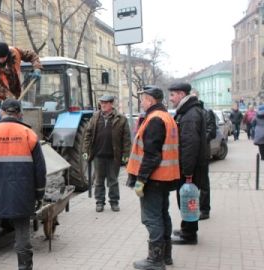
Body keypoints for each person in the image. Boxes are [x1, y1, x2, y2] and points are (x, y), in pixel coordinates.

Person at [0, 98, 47, 270]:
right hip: (22, 195)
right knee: (23, 239)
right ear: (19, 113)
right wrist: (39, 194)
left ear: (1, 112)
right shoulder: (29, 135)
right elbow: (40, 171)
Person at [127, 85, 180, 269]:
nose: (141, 102)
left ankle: (155, 260)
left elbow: (152, 155)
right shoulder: (166, 117)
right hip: (165, 178)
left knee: (151, 218)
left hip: (154, 179)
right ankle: (166, 256)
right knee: (162, 215)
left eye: (143, 99)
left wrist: (141, 180)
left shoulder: (155, 119)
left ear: (150, 100)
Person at [168, 82, 208, 245]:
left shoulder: (190, 114)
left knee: (187, 198)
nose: (170, 98)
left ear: (181, 95)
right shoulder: (188, 111)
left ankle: (189, 235)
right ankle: (187, 228)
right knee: (186, 198)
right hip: (190, 166)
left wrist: (188, 171)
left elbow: (189, 145)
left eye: (172, 95)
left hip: (189, 168)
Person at [83, 95, 131, 212]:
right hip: (98, 156)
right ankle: (99, 202)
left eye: (105, 103)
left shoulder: (121, 119)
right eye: (101, 102)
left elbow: (126, 139)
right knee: (98, 181)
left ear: (111, 104)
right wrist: (85, 151)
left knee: (113, 181)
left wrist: (126, 155)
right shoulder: (95, 117)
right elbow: (87, 135)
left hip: (114, 156)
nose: (103, 105)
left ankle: (114, 202)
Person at [0, 42, 42, 126]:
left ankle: (19, 124)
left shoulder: (15, 52)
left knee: (17, 106)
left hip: (13, 85)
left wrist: (37, 68)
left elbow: (32, 55)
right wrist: (10, 98)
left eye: (3, 58)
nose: (1, 60)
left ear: (7, 54)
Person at [190, 89, 216, 220]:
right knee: (191, 183)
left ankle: (205, 210)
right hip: (191, 154)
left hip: (203, 153)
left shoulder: (207, 112)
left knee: (204, 183)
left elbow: (212, 131)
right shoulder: (189, 113)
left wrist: (199, 140)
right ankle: (192, 208)